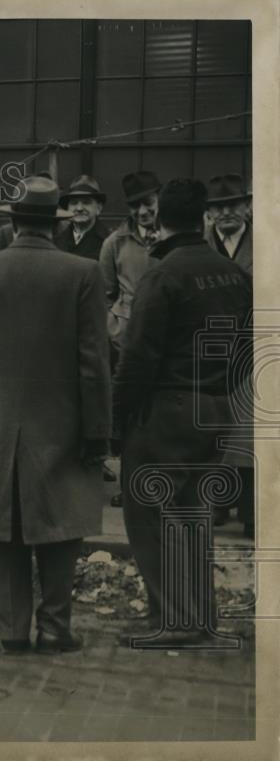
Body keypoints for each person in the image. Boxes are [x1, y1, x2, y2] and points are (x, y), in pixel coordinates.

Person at [0, 176, 111, 655]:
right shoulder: (83, 273)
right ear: (55, 223)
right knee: (61, 526)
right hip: (62, 422)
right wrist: (98, 433)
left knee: (4, 526)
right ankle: (56, 628)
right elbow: (93, 362)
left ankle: (12, 630)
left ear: (14, 220)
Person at [113, 179, 252, 645]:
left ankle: (173, 621)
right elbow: (248, 349)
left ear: (162, 220)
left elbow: (138, 357)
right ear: (205, 217)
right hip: (217, 409)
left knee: (150, 514)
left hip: (168, 409)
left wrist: (119, 422)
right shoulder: (235, 274)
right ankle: (200, 619)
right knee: (194, 515)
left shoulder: (163, 275)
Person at [203, 173, 254, 533]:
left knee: (250, 430)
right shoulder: (202, 246)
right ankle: (219, 505)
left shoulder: (266, 241)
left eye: (233, 205)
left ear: (247, 205)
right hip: (212, 346)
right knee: (216, 426)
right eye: (218, 207)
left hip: (255, 344)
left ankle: (251, 511)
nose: (226, 214)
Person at [98, 170, 162, 366]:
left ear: (159, 199)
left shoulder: (174, 237)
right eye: (135, 205)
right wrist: (115, 328)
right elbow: (105, 294)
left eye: (148, 203)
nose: (142, 212)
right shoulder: (114, 243)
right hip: (126, 339)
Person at [56, 175, 110, 261]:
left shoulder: (109, 242)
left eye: (86, 202)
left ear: (98, 208)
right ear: (68, 208)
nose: (79, 208)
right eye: (74, 203)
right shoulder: (56, 241)